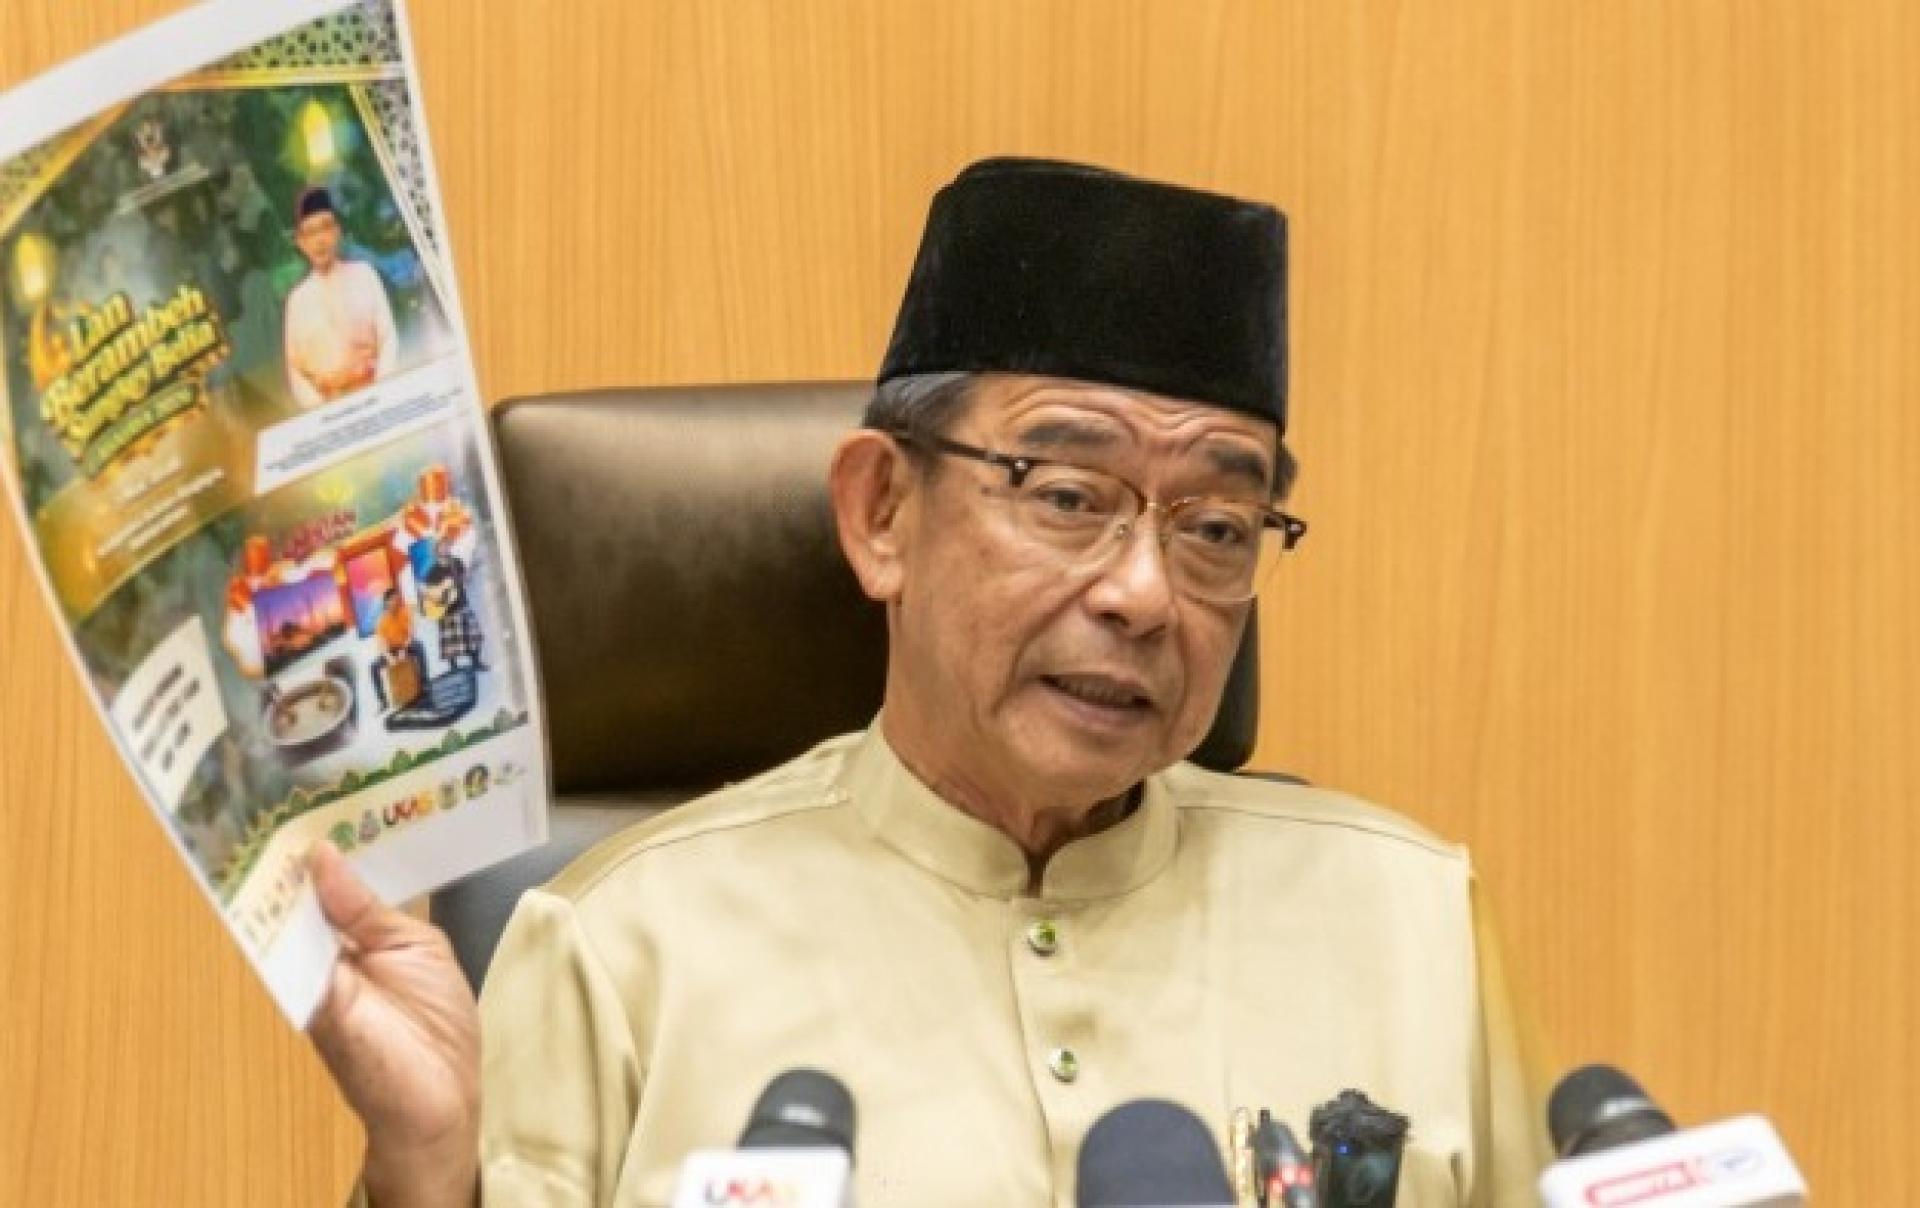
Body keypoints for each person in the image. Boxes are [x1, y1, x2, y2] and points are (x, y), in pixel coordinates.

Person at [309, 158, 1550, 1207]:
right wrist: (424, 1174)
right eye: (1069, 497)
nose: (1143, 591)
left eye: (1218, 527)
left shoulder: (1412, 921)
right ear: (882, 512)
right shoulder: (618, 949)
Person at [283, 185, 399, 409]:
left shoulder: (364, 274)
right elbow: (295, 371)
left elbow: (388, 338)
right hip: (328, 408)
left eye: (325, 227)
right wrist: (322, 411)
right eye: (311, 232)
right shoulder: (297, 301)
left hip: (375, 395)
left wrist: (380, 391)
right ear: (301, 242)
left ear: (337, 231)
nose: (319, 240)